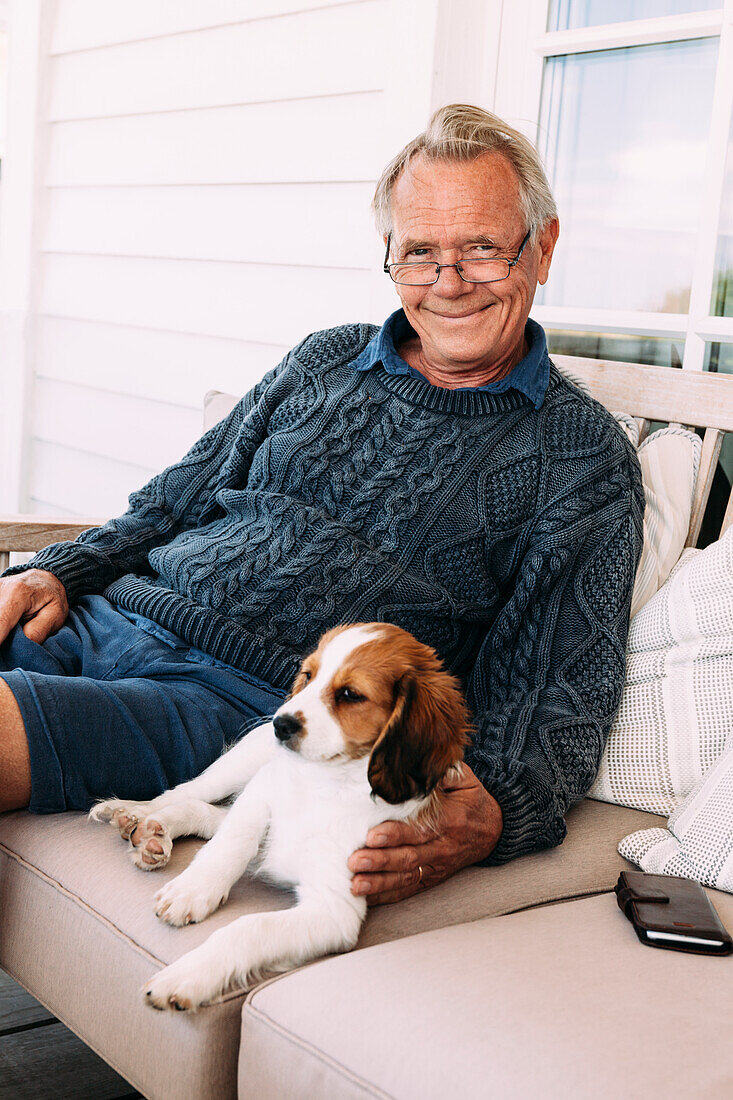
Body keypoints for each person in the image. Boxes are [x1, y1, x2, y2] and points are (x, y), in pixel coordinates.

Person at [0, 104, 644, 906]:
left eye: (481, 249)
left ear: (541, 248)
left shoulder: (578, 459)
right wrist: (58, 569)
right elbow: (172, 501)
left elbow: (559, 695)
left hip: (238, 704)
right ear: (390, 256)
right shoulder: (326, 357)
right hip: (101, 614)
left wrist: (494, 816)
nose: (448, 283)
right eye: (419, 253)